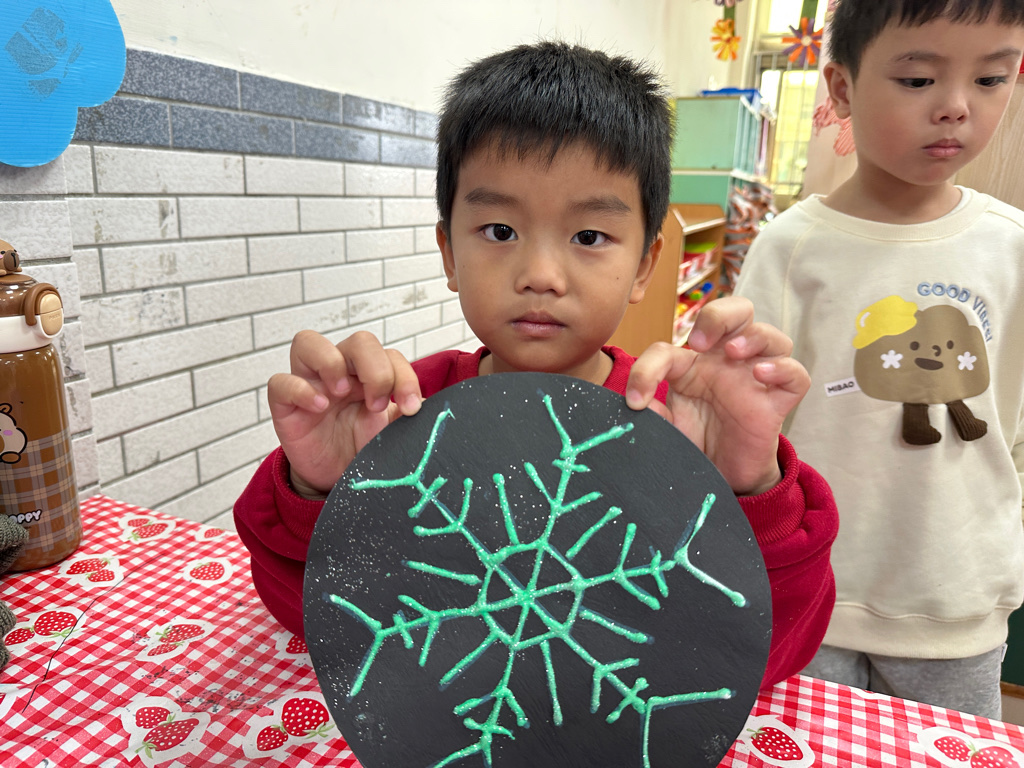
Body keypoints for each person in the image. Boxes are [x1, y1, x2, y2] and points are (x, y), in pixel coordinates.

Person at [234, 41, 838, 689]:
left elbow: (760, 660)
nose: (541, 275)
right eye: (500, 231)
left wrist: (749, 490)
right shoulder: (402, 414)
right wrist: (322, 493)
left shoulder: (679, 426)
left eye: (589, 237)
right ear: (448, 252)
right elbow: (326, 628)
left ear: (644, 265)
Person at [734, 0, 1024, 718]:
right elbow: (749, 428)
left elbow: (1012, 422)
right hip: (812, 594)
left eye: (991, 79)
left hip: (957, 601)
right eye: (919, 79)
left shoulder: (1011, 247)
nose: (956, 107)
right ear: (841, 89)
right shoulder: (791, 248)